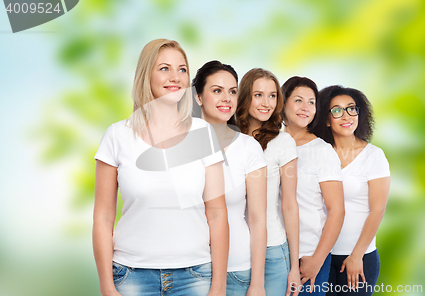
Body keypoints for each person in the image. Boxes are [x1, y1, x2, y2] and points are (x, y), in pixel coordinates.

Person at [92, 39, 229, 296]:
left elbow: (218, 214)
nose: (175, 77)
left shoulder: (203, 133)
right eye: (164, 68)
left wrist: (219, 286)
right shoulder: (117, 136)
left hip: (195, 276)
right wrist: (107, 286)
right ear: (147, 75)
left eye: (182, 69)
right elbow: (102, 217)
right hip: (131, 275)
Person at [192, 60, 268, 296]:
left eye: (232, 91)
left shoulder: (249, 148)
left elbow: (257, 219)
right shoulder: (180, 144)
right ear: (199, 97)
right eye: (217, 91)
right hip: (188, 270)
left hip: (237, 271)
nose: (226, 98)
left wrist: (257, 284)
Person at [310, 85, 391, 295]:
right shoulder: (319, 154)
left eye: (351, 108)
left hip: (358, 258)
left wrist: (357, 255)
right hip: (321, 257)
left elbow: (378, 210)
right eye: (336, 110)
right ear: (326, 119)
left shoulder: (374, 156)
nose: (346, 116)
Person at [236, 68, 301, 296]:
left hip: (272, 250)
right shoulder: (227, 138)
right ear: (245, 97)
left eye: (272, 95)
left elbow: (289, 205)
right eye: (258, 95)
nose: (267, 103)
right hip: (232, 251)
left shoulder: (283, 142)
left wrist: (293, 267)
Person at [281, 77, 345, 296]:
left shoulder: (322, 151)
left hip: (307, 256)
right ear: (283, 102)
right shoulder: (267, 143)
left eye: (311, 102)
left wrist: (317, 260)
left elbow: (337, 210)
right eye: (298, 100)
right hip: (272, 253)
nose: (305, 108)